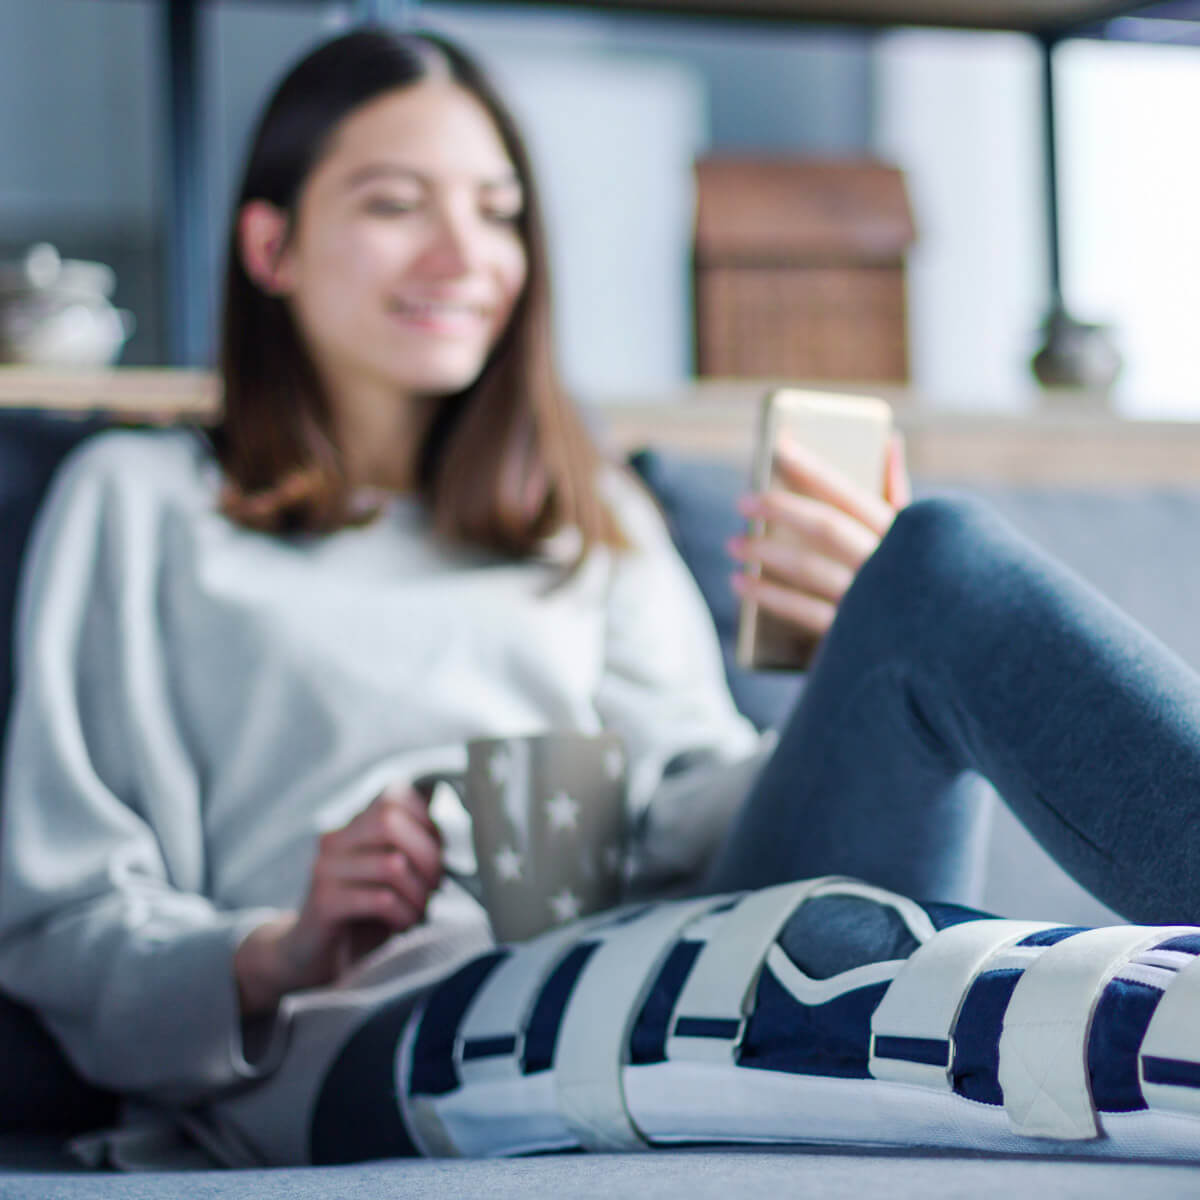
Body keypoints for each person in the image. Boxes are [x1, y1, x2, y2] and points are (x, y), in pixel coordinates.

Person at [1, 26, 1199, 1169]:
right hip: (373, 1023)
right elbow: (60, 923)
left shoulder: (586, 511)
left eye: (497, 211)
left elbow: (689, 807)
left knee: (933, 564)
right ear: (271, 249)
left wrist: (859, 667)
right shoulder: (143, 501)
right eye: (393, 203)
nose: (465, 258)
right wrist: (275, 949)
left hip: (658, 940)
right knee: (838, 961)